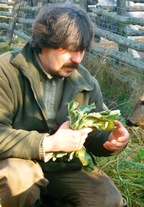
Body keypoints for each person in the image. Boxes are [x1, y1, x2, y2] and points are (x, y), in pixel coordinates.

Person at [0, 3, 129, 207]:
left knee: (107, 200)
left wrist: (111, 140)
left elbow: (93, 134)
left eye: (82, 50)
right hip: (17, 162)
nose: (78, 59)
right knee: (18, 180)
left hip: (64, 167)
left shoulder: (86, 83)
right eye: (69, 49)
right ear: (44, 42)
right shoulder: (6, 72)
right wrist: (48, 144)